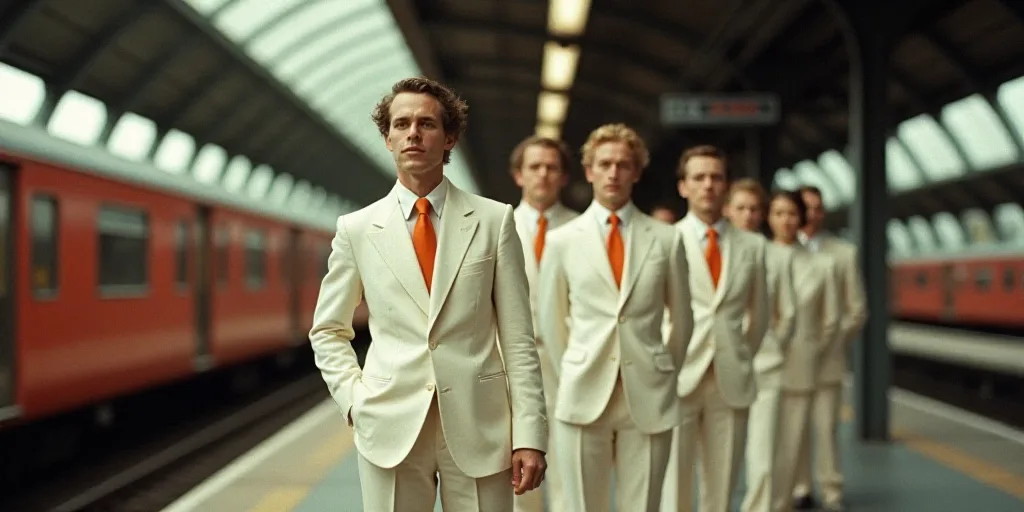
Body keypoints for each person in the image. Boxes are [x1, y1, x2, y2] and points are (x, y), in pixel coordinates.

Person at [308, 76, 548, 512]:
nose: (413, 133)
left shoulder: (495, 221)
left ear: (449, 136)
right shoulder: (357, 229)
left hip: (482, 427)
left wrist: (530, 434)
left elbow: (518, 339)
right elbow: (327, 329)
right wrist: (354, 401)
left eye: (426, 123)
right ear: (387, 139)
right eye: (401, 124)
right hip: (388, 423)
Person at [536, 123, 694, 512]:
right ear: (589, 171)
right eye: (604, 164)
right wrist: (572, 367)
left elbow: (683, 318)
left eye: (624, 165)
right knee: (582, 507)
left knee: (643, 506)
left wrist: (661, 366)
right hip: (583, 391)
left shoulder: (666, 238)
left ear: (637, 172)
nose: (613, 173)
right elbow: (552, 323)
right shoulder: (562, 241)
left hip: (649, 392)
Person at [661, 145, 769, 512]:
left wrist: (737, 351)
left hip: (730, 377)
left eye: (716, 177)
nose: (708, 184)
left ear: (726, 185)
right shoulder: (664, 241)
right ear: (683, 187)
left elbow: (760, 316)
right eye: (699, 177)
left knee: (722, 485)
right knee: (674, 485)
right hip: (677, 376)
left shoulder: (753, 246)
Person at [508, 135, 578, 512]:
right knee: (518, 480)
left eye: (552, 167)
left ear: (565, 177)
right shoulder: (495, 227)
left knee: (571, 472)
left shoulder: (584, 230)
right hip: (511, 368)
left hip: (570, 365)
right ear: (519, 175)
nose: (543, 175)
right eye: (534, 167)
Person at [762, 189, 841, 512]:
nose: (785, 220)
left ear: (802, 218)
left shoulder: (823, 265)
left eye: (792, 213)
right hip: (760, 364)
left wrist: (808, 348)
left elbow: (831, 319)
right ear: (769, 217)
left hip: (801, 363)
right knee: (762, 448)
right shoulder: (755, 256)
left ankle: (781, 504)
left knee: (791, 445)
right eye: (778, 213)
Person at [791, 186, 867, 512]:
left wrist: (831, 342)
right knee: (792, 430)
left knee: (825, 429)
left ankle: (831, 490)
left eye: (818, 207)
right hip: (789, 360)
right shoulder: (780, 252)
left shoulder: (843, 253)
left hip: (828, 360)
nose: (813, 214)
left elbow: (857, 310)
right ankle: (800, 488)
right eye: (806, 207)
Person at [722, 179, 797, 512]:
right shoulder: (711, 249)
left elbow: (787, 312)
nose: (748, 215)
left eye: (754, 209)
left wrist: (768, 345)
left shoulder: (776, 256)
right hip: (718, 369)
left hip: (765, 367)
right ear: (727, 210)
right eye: (740, 208)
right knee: (720, 458)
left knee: (764, 454)